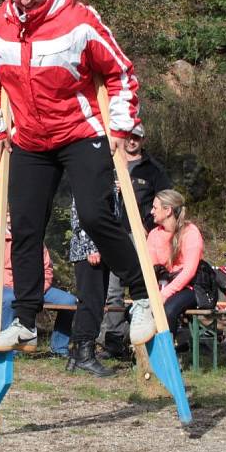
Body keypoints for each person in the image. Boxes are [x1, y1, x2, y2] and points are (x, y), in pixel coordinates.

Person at [0, 0, 155, 352]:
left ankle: (142, 293)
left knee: (92, 214)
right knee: (23, 226)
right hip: (31, 139)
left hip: (79, 132)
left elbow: (120, 73)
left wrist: (122, 127)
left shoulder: (79, 21)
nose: (23, 0)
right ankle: (24, 320)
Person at [99, 124, 172, 356]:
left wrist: (149, 227)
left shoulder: (153, 170)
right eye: (129, 137)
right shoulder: (109, 163)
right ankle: (113, 341)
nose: (131, 142)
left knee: (147, 287)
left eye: (136, 138)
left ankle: (148, 341)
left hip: (143, 236)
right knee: (114, 289)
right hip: (114, 234)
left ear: (143, 140)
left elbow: (167, 202)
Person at [0, 211, 75, 356]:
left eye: (12, 214)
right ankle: (10, 349)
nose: (10, 219)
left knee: (69, 301)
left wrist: (39, 287)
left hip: (35, 287)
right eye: (7, 214)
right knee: (8, 299)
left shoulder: (34, 239)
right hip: (7, 288)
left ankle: (59, 348)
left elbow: (47, 269)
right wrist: (17, 285)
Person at [148, 189, 202, 338]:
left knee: (167, 311)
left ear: (168, 210)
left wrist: (165, 294)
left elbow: (189, 271)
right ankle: (146, 354)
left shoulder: (190, 232)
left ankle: (168, 352)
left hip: (189, 287)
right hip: (163, 286)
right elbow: (151, 269)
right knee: (135, 312)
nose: (151, 211)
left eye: (155, 207)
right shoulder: (154, 234)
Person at [68, 197, 113, 375]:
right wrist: (91, 247)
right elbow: (81, 216)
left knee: (90, 302)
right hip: (91, 251)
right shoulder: (89, 180)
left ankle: (75, 354)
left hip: (102, 250)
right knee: (91, 303)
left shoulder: (107, 182)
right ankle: (86, 357)